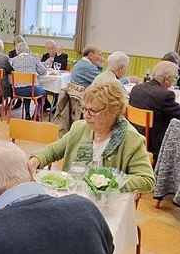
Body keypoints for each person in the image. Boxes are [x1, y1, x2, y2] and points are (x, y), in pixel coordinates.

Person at [28, 81, 156, 192]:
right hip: (75, 197)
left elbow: (147, 181)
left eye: (92, 111)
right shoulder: (80, 128)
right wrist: (36, 160)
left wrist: (107, 182)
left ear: (113, 111)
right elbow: (53, 151)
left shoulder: (131, 139)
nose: (85, 115)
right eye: (84, 109)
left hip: (107, 204)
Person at [128, 61, 180, 155]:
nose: (174, 81)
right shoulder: (166, 95)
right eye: (175, 78)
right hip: (153, 144)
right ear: (167, 79)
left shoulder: (137, 88)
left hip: (133, 136)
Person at [10, 41, 48, 120]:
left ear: (17, 50)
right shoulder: (33, 59)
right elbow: (43, 72)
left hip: (17, 90)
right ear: (27, 49)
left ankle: (27, 113)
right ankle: (36, 113)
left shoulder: (13, 60)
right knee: (43, 93)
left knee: (26, 89)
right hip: (32, 90)